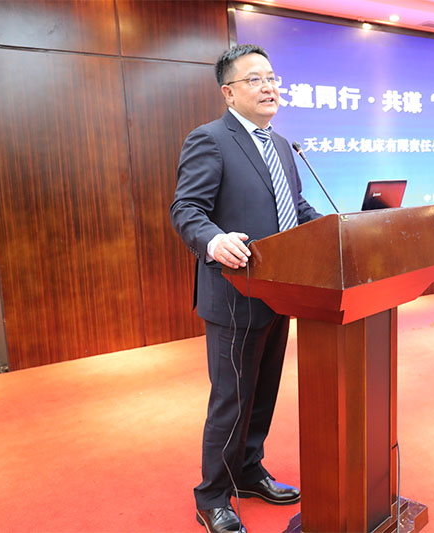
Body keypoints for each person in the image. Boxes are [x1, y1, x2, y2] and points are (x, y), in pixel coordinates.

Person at [170, 44, 321, 533]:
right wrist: (214, 240)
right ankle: (212, 495)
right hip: (234, 294)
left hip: (280, 292)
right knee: (231, 399)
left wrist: (338, 228)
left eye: (272, 78)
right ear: (229, 92)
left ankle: (249, 471)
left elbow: (295, 210)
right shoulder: (210, 139)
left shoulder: (282, 145)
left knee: (262, 393)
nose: (268, 87)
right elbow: (186, 209)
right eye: (255, 79)